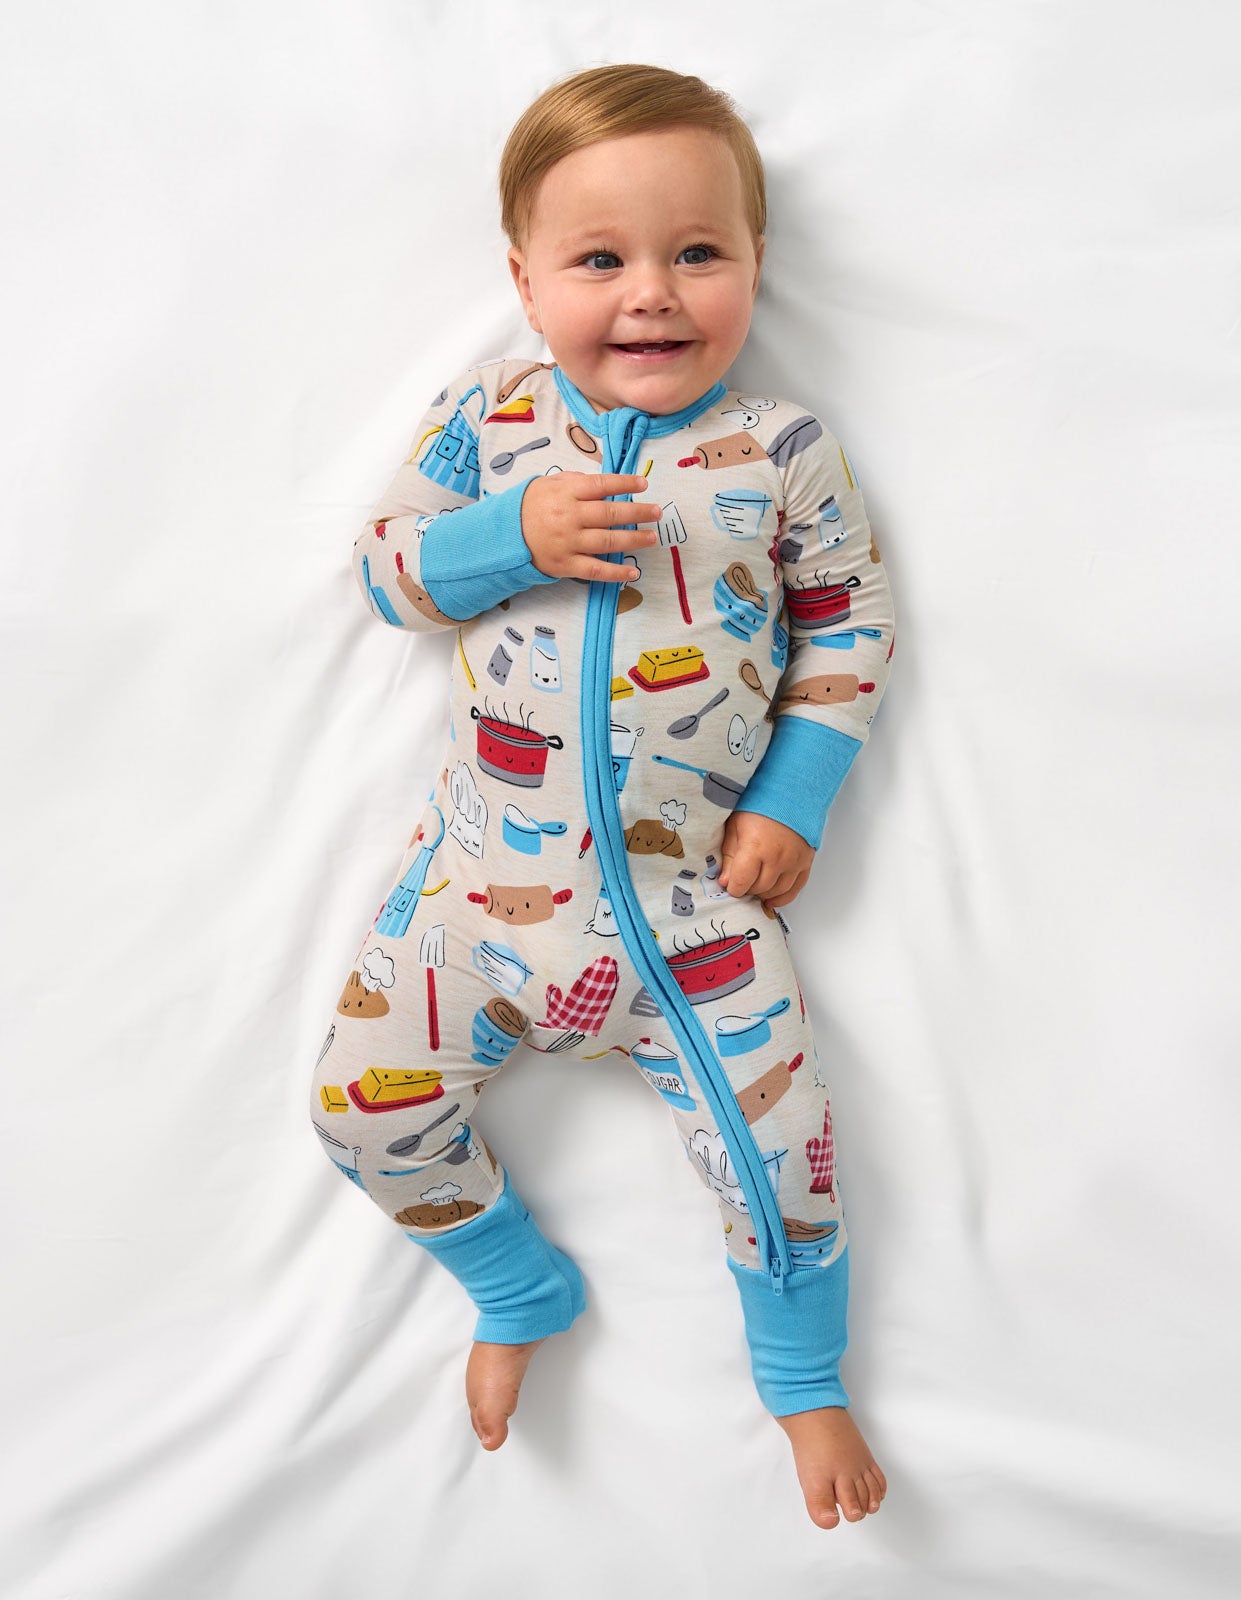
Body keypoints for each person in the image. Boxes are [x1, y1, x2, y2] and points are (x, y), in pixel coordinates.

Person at [308, 62, 895, 1531]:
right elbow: (386, 569)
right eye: (598, 261)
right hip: (470, 902)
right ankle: (516, 1289)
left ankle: (802, 1376)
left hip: (689, 913)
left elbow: (850, 622)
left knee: (784, 1156)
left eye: (698, 252)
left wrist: (795, 796)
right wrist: (508, 535)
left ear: (756, 260)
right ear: (523, 279)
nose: (651, 294)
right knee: (358, 1112)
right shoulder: (493, 418)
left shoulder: (780, 452)